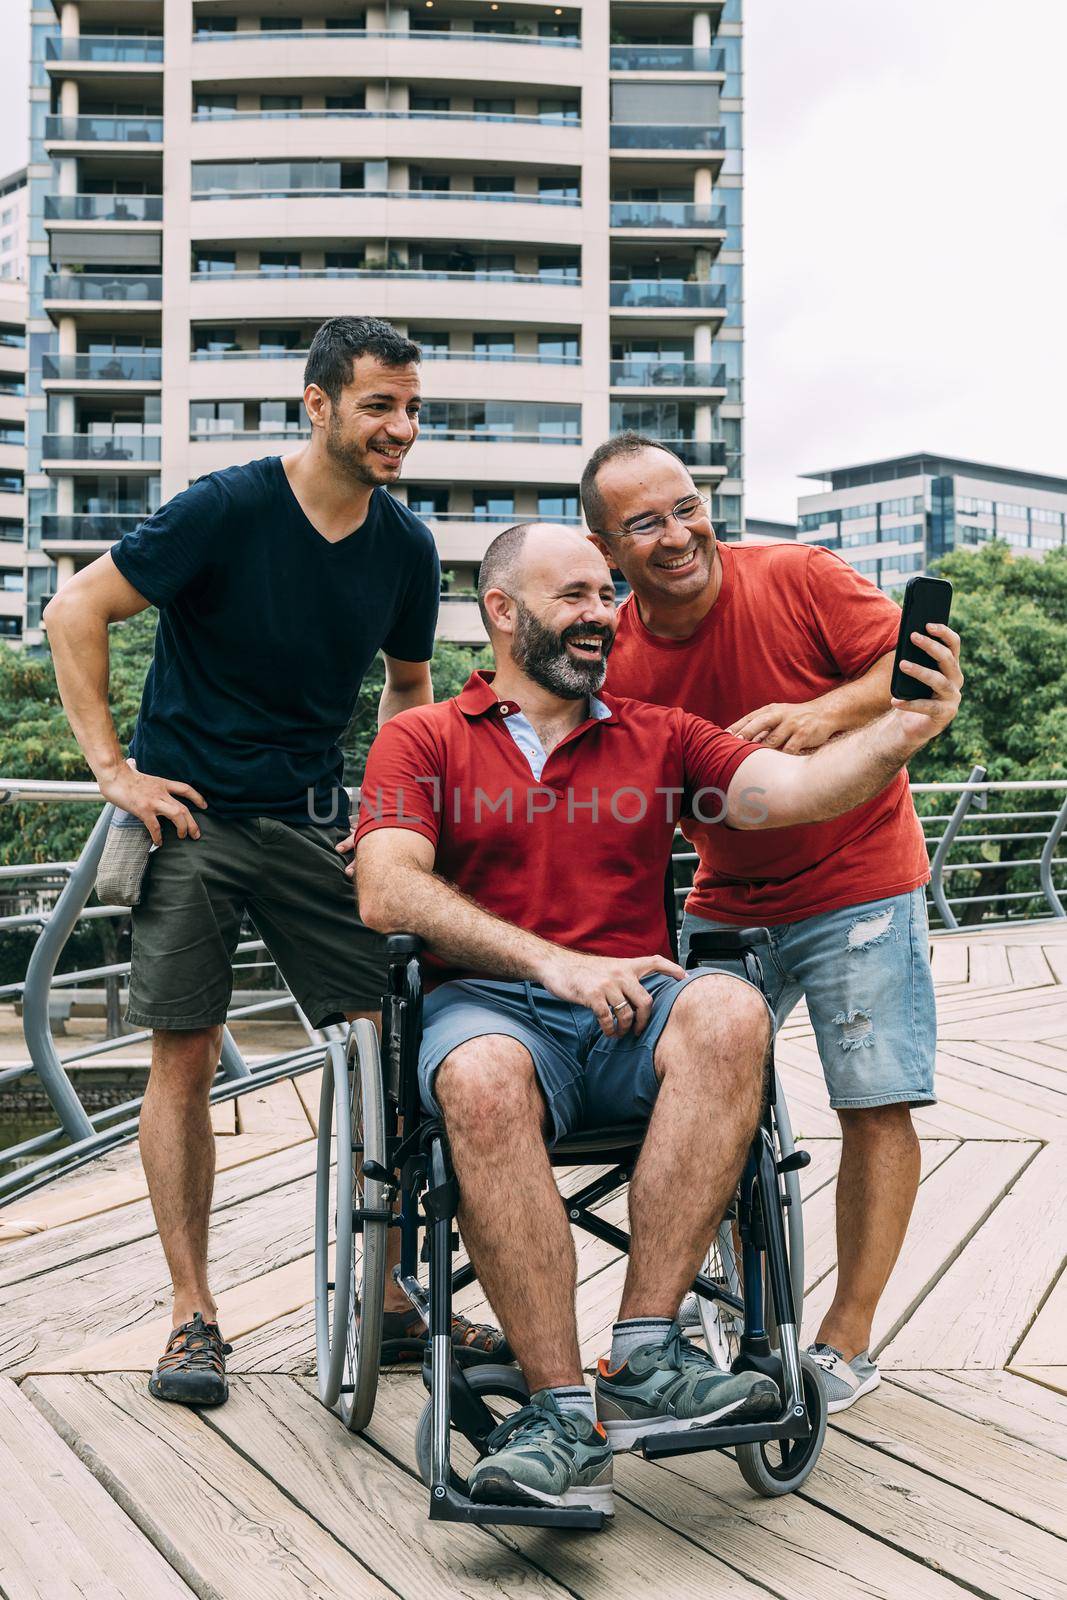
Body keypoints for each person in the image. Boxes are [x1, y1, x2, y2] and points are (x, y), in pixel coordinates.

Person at [353, 521, 961, 1513]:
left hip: (629, 1015)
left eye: (606, 595)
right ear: (501, 612)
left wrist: (903, 729)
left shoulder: (656, 732)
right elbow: (386, 889)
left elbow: (793, 789)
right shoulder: (421, 738)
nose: (603, 614)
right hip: (489, 1014)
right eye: (576, 596)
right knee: (477, 1075)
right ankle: (555, 1410)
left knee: (726, 1008)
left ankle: (643, 1352)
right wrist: (551, 960)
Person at [43, 316, 507, 1408]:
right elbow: (77, 607)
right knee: (184, 1057)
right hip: (189, 824)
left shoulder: (403, 547)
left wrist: (391, 806)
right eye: (379, 405)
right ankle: (193, 1315)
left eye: (412, 407)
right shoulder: (227, 506)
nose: (401, 427)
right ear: (317, 405)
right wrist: (114, 769)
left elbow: (406, 688)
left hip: (314, 825)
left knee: (387, 1043)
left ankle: (390, 1297)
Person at [582, 431, 951, 1413]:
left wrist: (822, 713)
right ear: (607, 548)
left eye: (684, 506)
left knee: (872, 1099)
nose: (675, 534)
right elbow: (616, 808)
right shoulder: (609, 658)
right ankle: (745, 1311)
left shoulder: (797, 575)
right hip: (723, 897)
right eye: (643, 522)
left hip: (859, 872)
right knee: (684, 1094)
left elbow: (907, 672)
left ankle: (845, 1339)